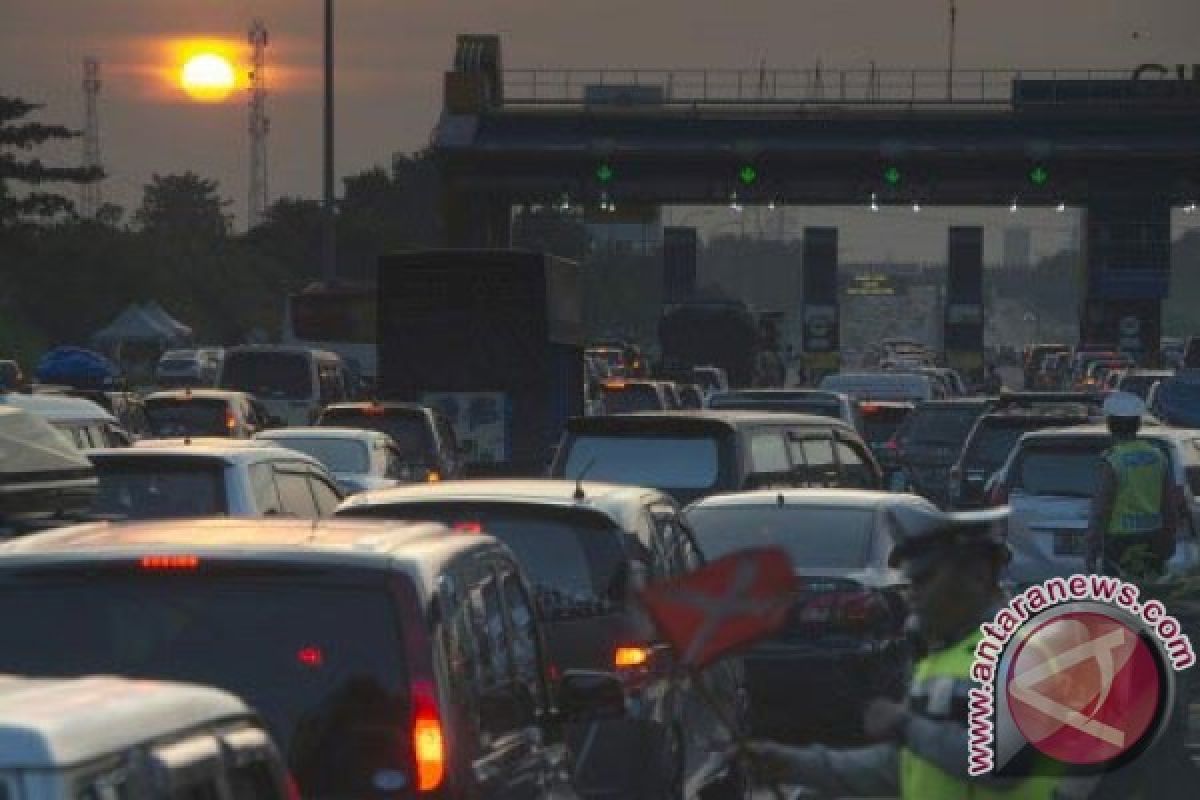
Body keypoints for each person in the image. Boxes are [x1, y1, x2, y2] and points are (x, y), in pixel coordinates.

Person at [741, 503, 1066, 798]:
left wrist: (905, 726)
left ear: (978, 577)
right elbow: (903, 770)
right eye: (910, 583)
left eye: (924, 580)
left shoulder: (1021, 656)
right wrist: (796, 765)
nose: (913, 595)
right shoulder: (939, 661)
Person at [1085, 391, 1178, 579]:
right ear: (1138, 425)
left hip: (1119, 542)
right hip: (1153, 537)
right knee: (1151, 593)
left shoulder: (1113, 460)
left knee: (1121, 599)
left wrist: (1091, 548)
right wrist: (1169, 539)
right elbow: (1169, 504)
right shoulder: (1157, 456)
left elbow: (1101, 509)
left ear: (1110, 426)